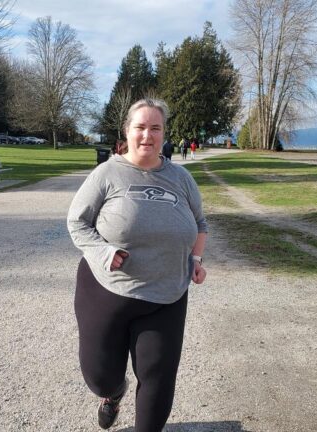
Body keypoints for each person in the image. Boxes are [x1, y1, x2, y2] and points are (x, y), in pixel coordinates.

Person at [67, 98, 208, 431]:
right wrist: (103, 252)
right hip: (106, 291)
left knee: (158, 380)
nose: (148, 135)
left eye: (155, 128)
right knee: (100, 376)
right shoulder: (107, 173)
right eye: (140, 127)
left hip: (167, 294)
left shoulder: (181, 178)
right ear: (127, 132)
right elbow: (77, 222)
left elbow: (200, 223)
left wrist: (196, 259)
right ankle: (113, 394)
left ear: (164, 134)